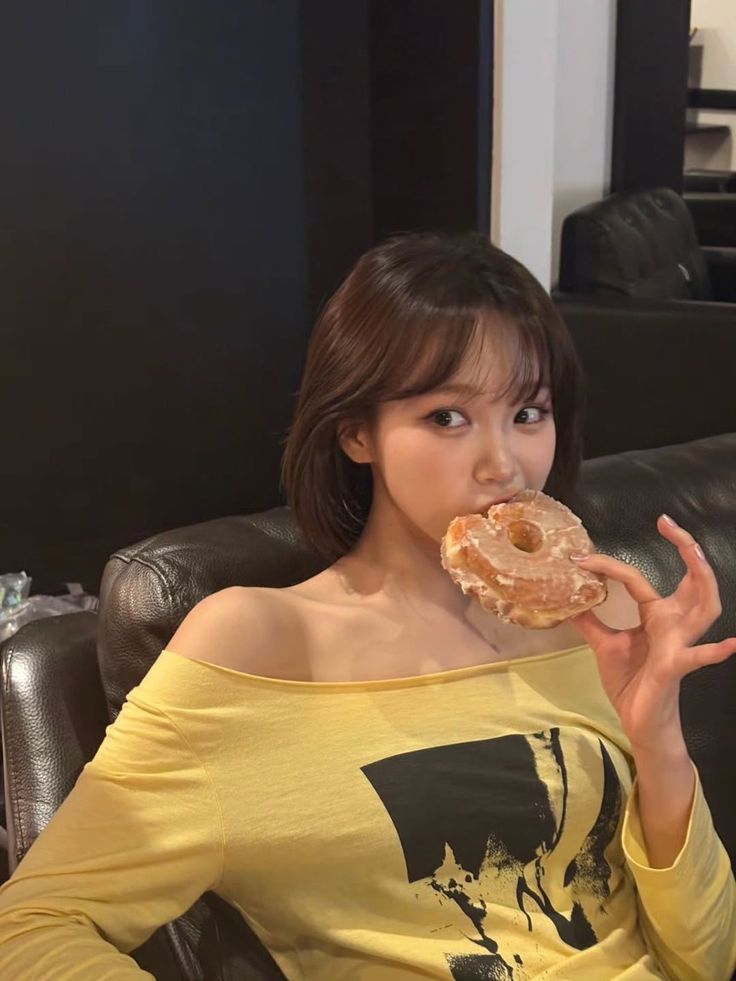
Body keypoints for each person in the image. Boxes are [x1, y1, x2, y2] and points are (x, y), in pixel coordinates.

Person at [0, 231, 734, 980]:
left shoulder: (598, 622)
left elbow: (706, 956)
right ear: (357, 431)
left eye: (528, 413)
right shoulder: (257, 643)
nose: (504, 465)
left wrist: (656, 738)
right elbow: (32, 927)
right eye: (447, 417)